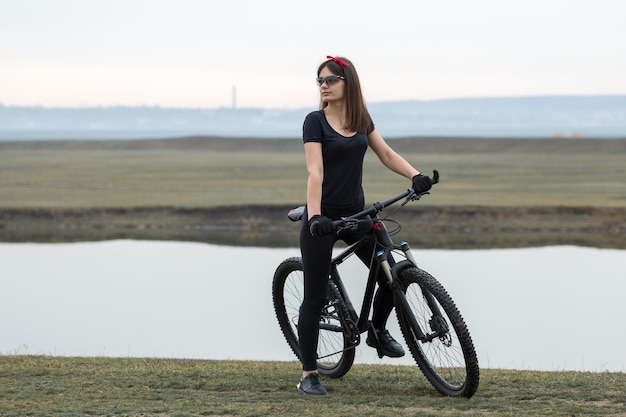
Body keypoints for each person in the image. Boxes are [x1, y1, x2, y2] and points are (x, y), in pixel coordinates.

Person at [296, 55, 433, 396]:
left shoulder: (360, 120)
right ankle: (309, 374)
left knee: (392, 271)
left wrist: (415, 175)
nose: (323, 86)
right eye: (320, 81)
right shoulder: (315, 122)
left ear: (348, 83)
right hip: (324, 220)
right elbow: (315, 172)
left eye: (330, 80)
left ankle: (377, 331)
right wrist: (315, 217)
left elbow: (385, 153)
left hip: (358, 216)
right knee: (313, 299)